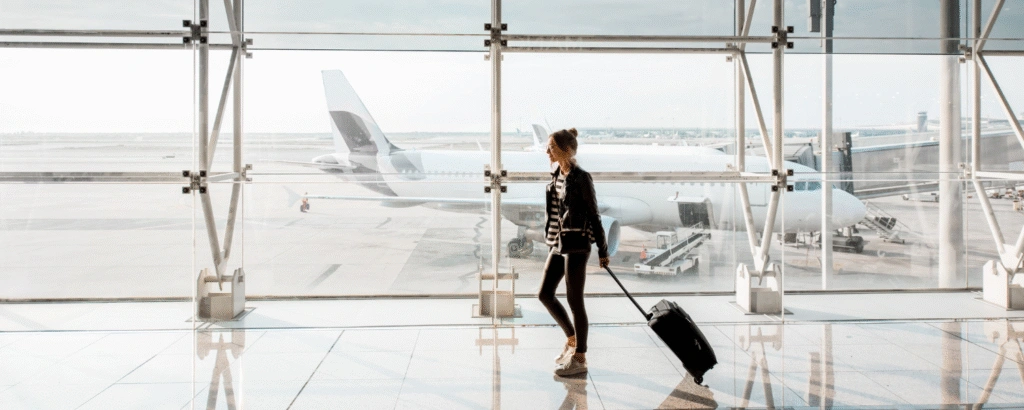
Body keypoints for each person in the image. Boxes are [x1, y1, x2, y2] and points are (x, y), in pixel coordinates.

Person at [539, 127, 610, 377]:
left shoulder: (581, 178)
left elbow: (594, 214)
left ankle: (580, 357)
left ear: (566, 150)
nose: (547, 151)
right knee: (545, 294)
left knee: (574, 300)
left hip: (577, 244)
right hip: (558, 243)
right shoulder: (556, 175)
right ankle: (572, 339)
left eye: (551, 147)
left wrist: (603, 249)